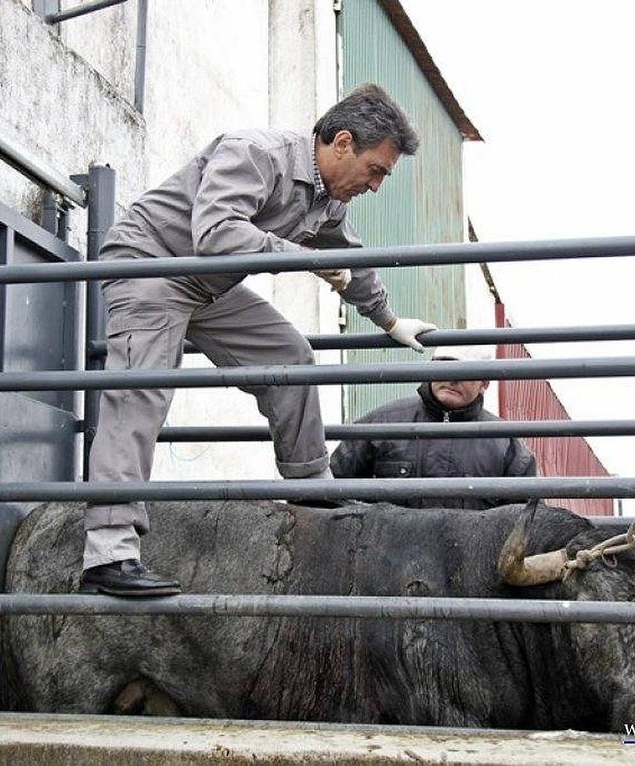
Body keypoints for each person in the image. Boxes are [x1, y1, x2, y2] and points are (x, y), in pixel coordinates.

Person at [82, 83, 437, 596]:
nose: (376, 186)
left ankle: (311, 488)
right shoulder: (255, 153)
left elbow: (349, 262)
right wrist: (307, 260)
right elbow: (215, 233)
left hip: (207, 284)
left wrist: (389, 320)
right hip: (152, 266)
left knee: (291, 356)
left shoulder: (328, 202)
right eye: (376, 170)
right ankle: (108, 554)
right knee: (142, 392)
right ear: (342, 143)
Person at [330, 345, 537, 508]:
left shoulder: (507, 446)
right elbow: (330, 492)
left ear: (484, 384)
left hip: (469, 562)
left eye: (465, 372)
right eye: (445, 365)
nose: (452, 379)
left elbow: (525, 526)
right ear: (430, 366)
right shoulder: (381, 424)